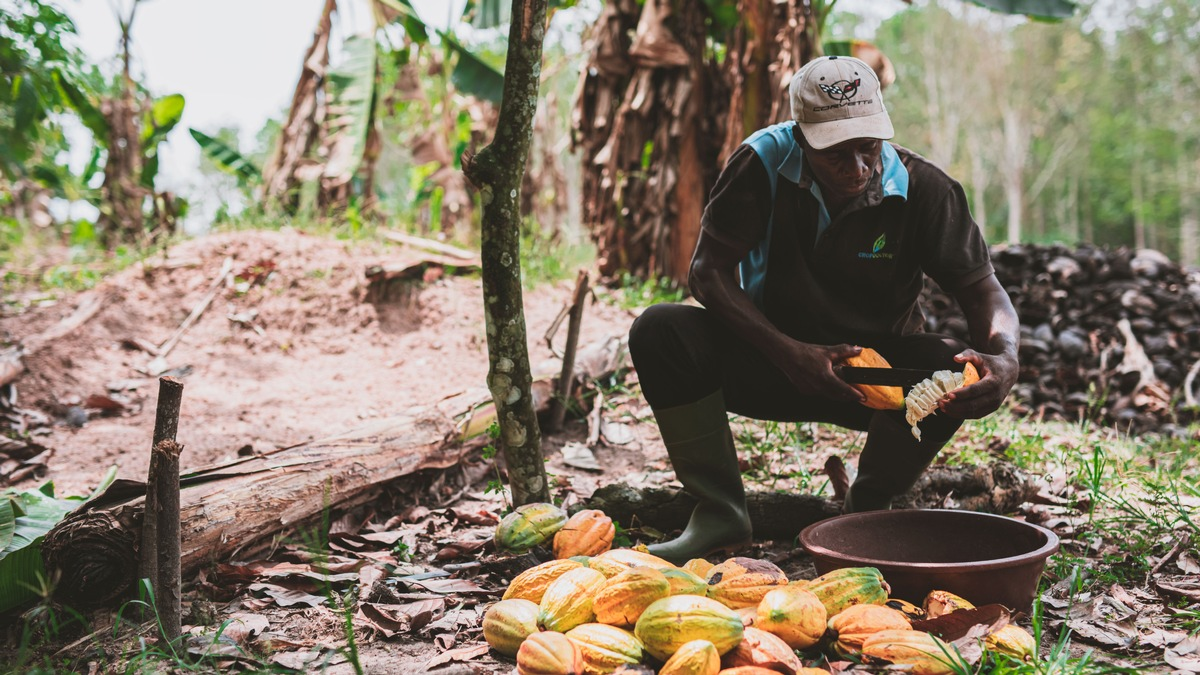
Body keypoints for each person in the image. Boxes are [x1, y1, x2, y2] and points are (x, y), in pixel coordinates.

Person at [627, 55, 1020, 564]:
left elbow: (984, 291)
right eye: (836, 152)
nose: (857, 167)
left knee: (952, 368)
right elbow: (707, 272)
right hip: (769, 360)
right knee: (661, 331)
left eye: (868, 148)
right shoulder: (760, 163)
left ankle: (867, 509)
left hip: (873, 383)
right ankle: (721, 512)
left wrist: (1006, 357)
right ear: (802, 135)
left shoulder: (925, 189)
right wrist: (791, 354)